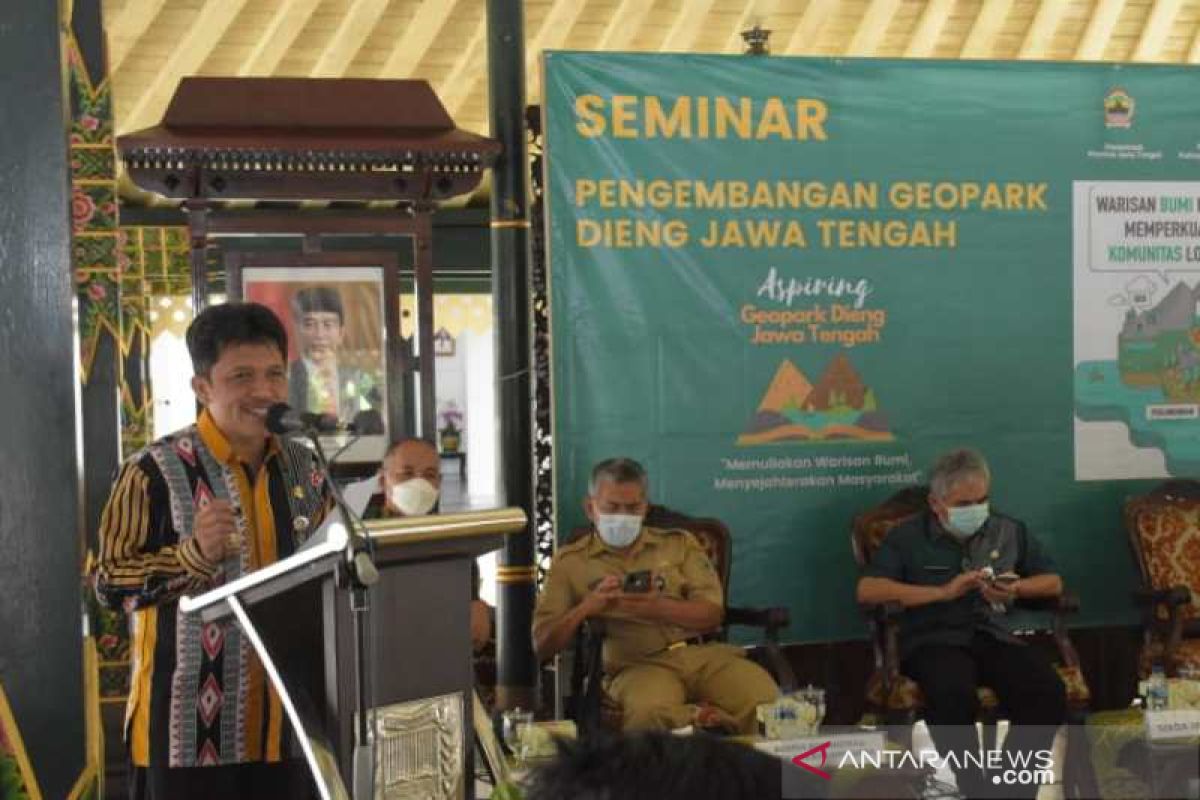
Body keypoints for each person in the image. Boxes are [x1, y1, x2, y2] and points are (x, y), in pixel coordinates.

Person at [95, 303, 330, 800]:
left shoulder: (307, 468)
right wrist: (192, 557)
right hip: (188, 741)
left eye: (273, 374)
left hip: (292, 730)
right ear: (202, 388)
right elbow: (110, 584)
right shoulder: (150, 471)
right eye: (241, 376)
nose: (263, 392)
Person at [856, 448, 1067, 799]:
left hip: (992, 635)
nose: (976, 511)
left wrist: (1015, 588)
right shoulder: (906, 537)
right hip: (932, 640)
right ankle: (974, 787)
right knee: (951, 692)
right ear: (936, 503)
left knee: (1046, 690)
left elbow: (1053, 582)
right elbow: (868, 590)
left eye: (982, 500)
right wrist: (941, 592)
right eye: (964, 504)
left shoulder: (1007, 530)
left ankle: (1009, 791)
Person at [533, 458, 779, 734]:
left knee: (767, 705)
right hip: (639, 666)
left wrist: (656, 607)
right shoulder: (571, 563)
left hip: (705, 657)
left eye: (633, 508)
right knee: (649, 717)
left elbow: (713, 615)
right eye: (612, 507)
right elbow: (542, 645)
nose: (623, 516)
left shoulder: (679, 544)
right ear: (591, 508)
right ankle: (701, 720)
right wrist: (586, 608)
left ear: (645, 507)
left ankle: (744, 762)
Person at [362, 437, 493, 652]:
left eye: (429, 475)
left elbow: (475, 624)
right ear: (382, 480)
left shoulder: (454, 544)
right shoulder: (361, 540)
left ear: (439, 483)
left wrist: (477, 609)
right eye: (407, 474)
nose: (419, 483)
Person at [287, 286, 382, 431]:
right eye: (310, 324)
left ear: (341, 333)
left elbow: (383, 404)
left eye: (328, 325)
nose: (319, 334)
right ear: (297, 331)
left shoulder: (357, 376)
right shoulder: (287, 377)